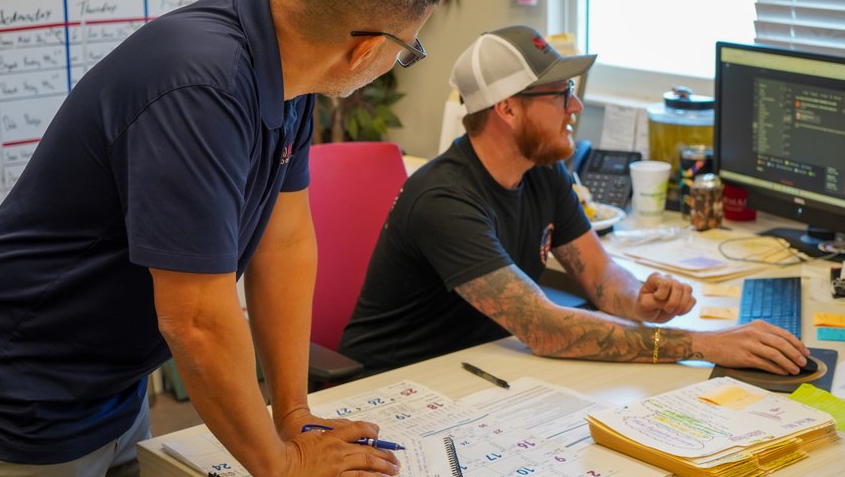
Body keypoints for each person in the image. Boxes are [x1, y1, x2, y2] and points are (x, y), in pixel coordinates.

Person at [0, 0, 444, 477]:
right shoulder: (201, 85)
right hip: (28, 384)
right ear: (367, 49)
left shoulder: (286, 70)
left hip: (116, 375)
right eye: (409, 51)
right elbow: (196, 319)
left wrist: (293, 412)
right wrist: (280, 466)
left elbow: (284, 243)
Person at [339, 25, 811, 376]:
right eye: (562, 94)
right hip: (397, 388)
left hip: (483, 374)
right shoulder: (443, 200)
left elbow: (601, 274)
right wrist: (705, 344)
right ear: (506, 108)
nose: (576, 107)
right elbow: (546, 328)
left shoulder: (543, 170)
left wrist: (639, 301)